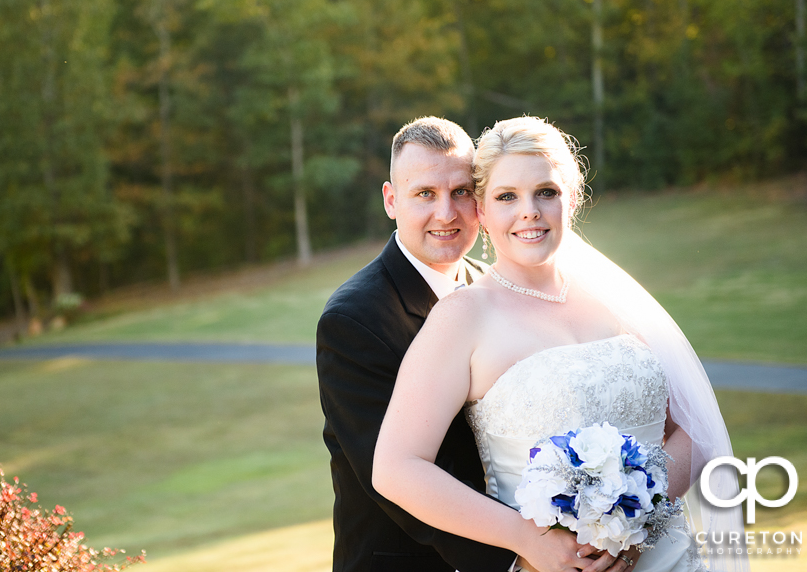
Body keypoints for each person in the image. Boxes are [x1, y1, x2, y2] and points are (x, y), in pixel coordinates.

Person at [371, 117, 745, 572]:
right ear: (481, 211)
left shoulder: (618, 302)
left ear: (571, 198)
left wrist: (634, 519)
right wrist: (524, 539)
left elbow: (692, 428)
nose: (529, 211)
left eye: (546, 192)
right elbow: (396, 468)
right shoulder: (461, 317)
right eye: (507, 196)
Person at [317, 117, 615, 572]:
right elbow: (393, 482)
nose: (447, 213)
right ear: (391, 200)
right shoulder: (355, 320)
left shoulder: (493, 288)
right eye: (425, 195)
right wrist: (524, 554)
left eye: (460, 192)